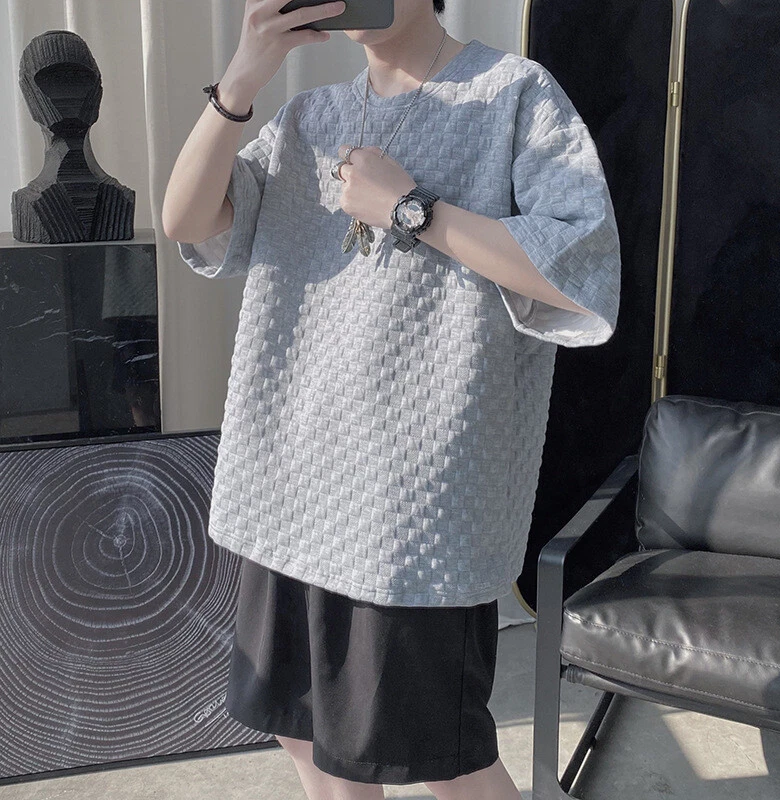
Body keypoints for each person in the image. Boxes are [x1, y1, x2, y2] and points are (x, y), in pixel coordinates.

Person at [162, 0, 621, 798]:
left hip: (412, 510)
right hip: (292, 484)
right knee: (301, 728)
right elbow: (187, 220)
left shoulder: (514, 93)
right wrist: (242, 77)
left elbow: (579, 270)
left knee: (442, 755)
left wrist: (413, 211)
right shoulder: (309, 118)